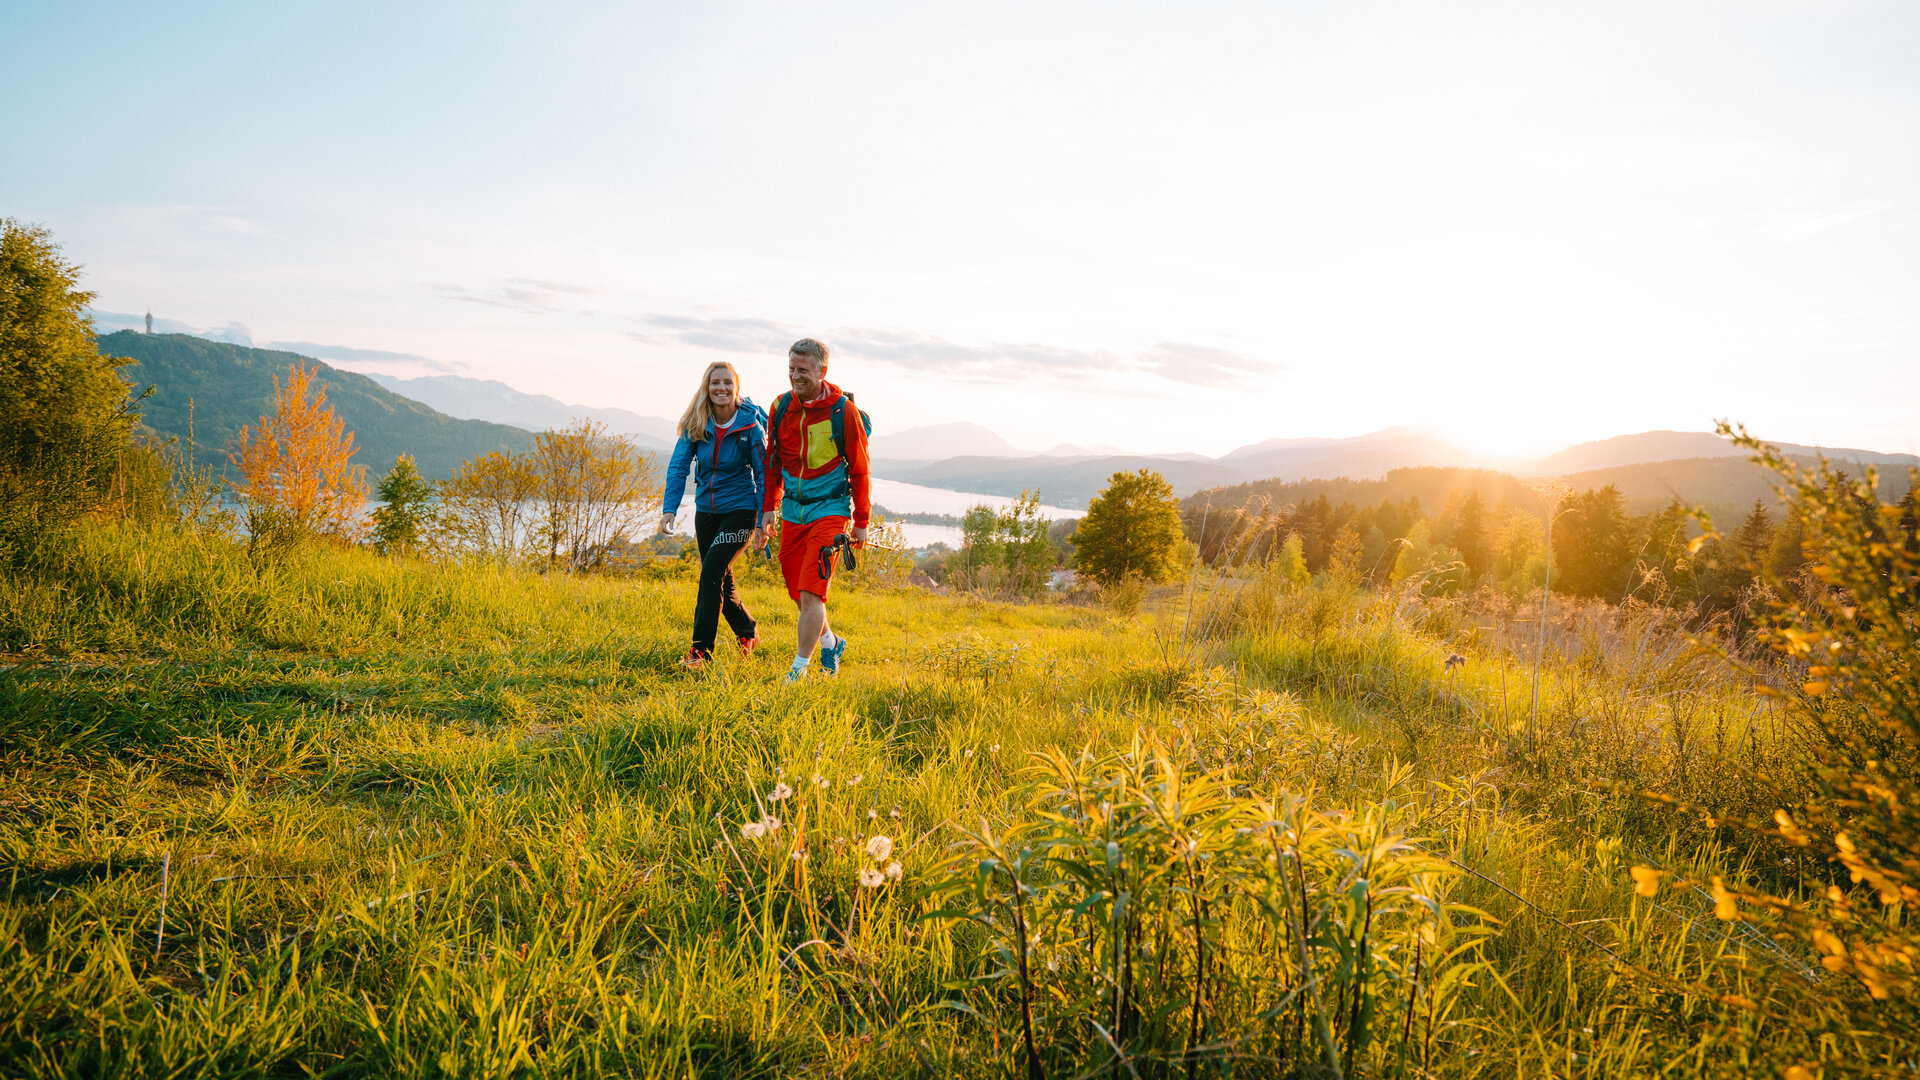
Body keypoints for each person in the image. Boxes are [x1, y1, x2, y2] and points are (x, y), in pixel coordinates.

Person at [760, 338, 870, 683]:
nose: (795, 376)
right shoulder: (780, 407)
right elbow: (773, 463)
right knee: (798, 593)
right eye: (791, 368)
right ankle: (831, 643)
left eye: (803, 370)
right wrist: (769, 508)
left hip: (831, 512)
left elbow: (860, 468)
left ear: (822, 371)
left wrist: (861, 521)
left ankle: (797, 672)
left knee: (812, 592)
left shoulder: (843, 411)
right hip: (793, 512)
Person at [660, 361, 767, 668]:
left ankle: (701, 653)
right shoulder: (698, 422)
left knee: (710, 575)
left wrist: (762, 520)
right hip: (706, 511)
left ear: (737, 388)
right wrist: (670, 507)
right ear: (706, 387)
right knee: (722, 578)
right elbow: (679, 466)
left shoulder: (750, 427)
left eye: (727, 383)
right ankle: (747, 631)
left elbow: (763, 474)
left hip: (741, 510)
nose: (721, 388)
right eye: (715, 383)